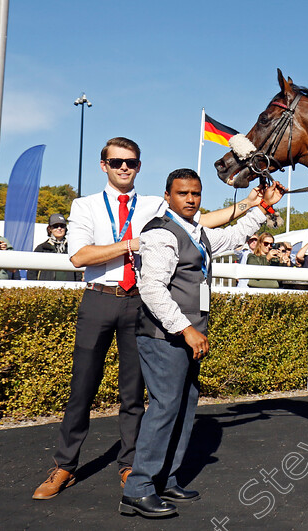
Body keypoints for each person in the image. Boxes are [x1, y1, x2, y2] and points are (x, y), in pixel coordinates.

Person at [33, 137, 263, 500]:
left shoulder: (157, 203)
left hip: (140, 304)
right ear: (103, 165)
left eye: (132, 162)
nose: (124, 167)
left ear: (139, 166)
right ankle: (65, 465)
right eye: (117, 161)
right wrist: (131, 244)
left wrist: (252, 204)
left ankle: (131, 466)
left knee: (134, 395)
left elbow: (199, 223)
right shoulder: (85, 205)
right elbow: (79, 257)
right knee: (82, 390)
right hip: (100, 299)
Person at [119, 168, 284, 517]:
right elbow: (151, 289)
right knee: (164, 409)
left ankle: (166, 478)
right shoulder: (161, 234)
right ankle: (138, 488)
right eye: (183, 194)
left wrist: (264, 208)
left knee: (184, 407)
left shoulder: (197, 232)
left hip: (186, 336)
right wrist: (186, 329)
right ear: (168, 197)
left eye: (195, 194)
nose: (191, 200)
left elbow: (235, 235)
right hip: (164, 336)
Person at [27, 213, 82, 282]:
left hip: (68, 289)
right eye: (55, 226)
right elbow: (31, 273)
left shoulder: (72, 248)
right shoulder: (41, 248)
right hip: (46, 290)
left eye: (62, 226)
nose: (59, 228)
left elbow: (78, 273)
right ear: (50, 229)